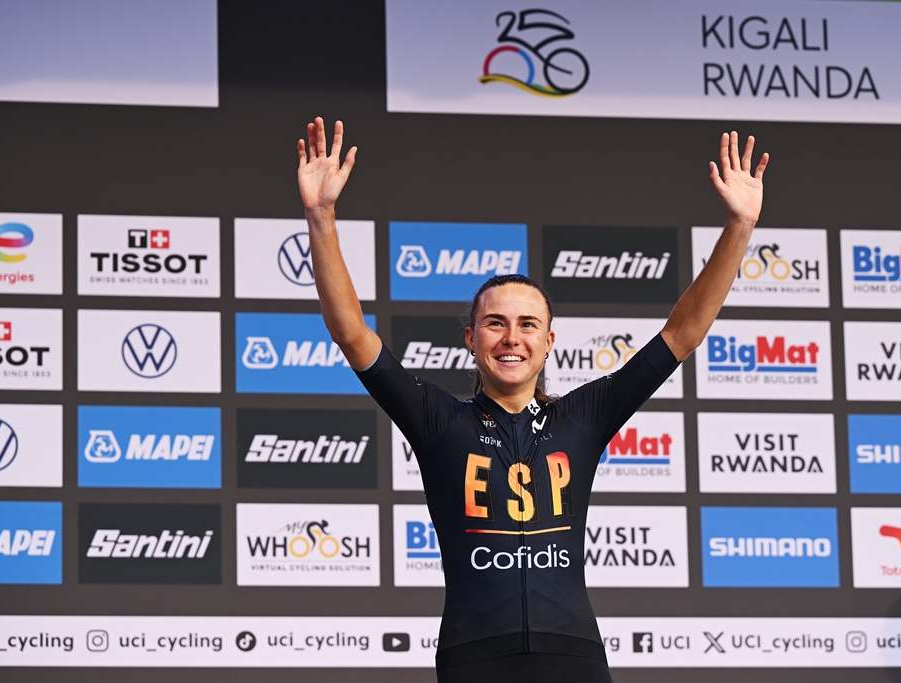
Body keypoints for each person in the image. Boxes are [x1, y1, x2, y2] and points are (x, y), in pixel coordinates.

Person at [298, 117, 768, 683]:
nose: (511, 338)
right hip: (475, 659)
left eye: (527, 325)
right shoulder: (438, 421)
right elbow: (352, 334)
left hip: (572, 657)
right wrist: (320, 216)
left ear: (549, 341)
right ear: (471, 338)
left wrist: (740, 225)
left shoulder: (583, 417)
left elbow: (683, 333)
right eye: (495, 323)